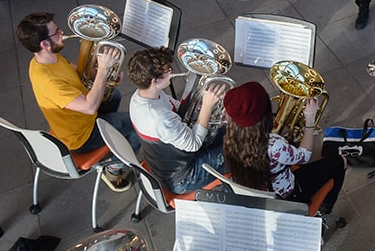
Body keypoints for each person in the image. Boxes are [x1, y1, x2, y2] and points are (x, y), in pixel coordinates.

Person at [15, 12, 136, 192]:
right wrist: (103, 70)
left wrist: (106, 75)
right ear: (44, 44)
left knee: (114, 95)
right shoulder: (50, 82)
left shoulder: (47, 59)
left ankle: (112, 135)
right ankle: (115, 169)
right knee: (136, 125)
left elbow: (77, 72)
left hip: (79, 119)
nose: (62, 33)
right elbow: (89, 107)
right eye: (56, 32)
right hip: (80, 137)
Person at [222, 81, 346, 213]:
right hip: (287, 196)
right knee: (341, 161)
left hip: (255, 189)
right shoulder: (275, 144)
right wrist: (309, 121)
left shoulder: (229, 137)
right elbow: (304, 156)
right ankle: (325, 207)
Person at [127, 47, 226, 193]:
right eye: (168, 71)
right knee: (238, 152)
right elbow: (194, 144)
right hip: (181, 177)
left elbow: (177, 108)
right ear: (154, 81)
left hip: (166, 162)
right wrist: (206, 106)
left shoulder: (141, 95)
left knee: (225, 131)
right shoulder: (159, 118)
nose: (171, 73)